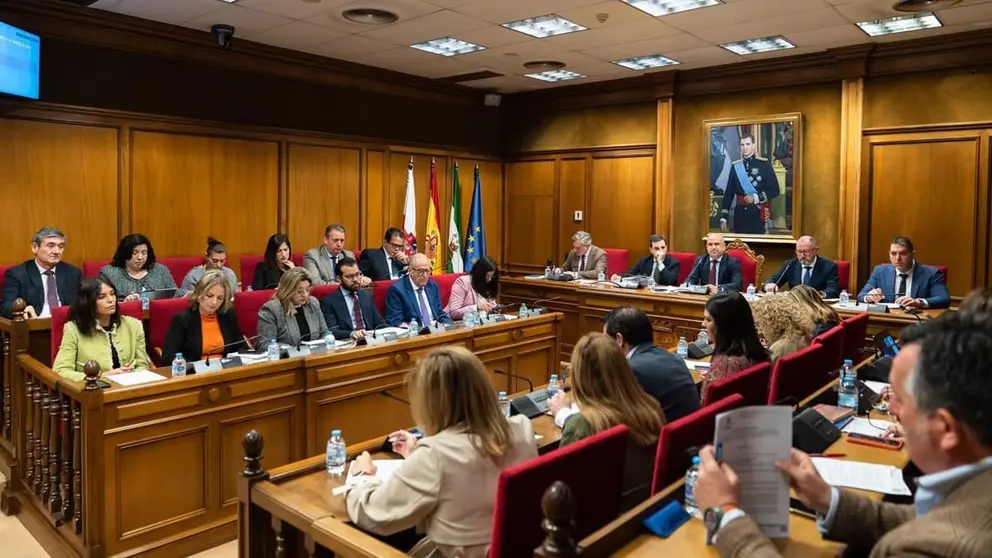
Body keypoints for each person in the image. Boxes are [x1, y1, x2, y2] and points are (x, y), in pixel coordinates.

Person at [694, 311, 992, 558]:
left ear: (945, 429)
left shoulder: (940, 548)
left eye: (899, 398)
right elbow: (923, 520)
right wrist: (827, 498)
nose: (892, 409)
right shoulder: (974, 488)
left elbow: (931, 536)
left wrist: (726, 516)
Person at [347, 346, 537, 558]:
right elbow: (462, 475)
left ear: (433, 404)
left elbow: (376, 515)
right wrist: (419, 453)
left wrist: (362, 476)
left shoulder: (434, 456)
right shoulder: (522, 428)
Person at [548, 333, 665, 512]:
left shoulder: (583, 425)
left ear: (580, 377)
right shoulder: (650, 408)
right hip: (647, 509)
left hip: (603, 527)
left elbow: (562, 497)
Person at [601, 306, 700, 422]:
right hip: (691, 433)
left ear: (619, 339)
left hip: (664, 438)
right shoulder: (674, 358)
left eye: (605, 340)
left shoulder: (631, 369)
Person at [52, 277, 150, 381]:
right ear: (88, 302)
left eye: (112, 294)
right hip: (93, 391)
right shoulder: (73, 329)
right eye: (101, 297)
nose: (111, 300)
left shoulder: (134, 325)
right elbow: (60, 371)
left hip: (129, 388)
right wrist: (101, 377)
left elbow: (143, 365)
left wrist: (131, 374)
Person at [161, 270, 247, 364]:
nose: (214, 302)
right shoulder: (182, 320)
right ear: (199, 294)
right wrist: (195, 368)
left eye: (220, 298)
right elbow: (168, 357)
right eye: (209, 296)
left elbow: (241, 346)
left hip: (225, 370)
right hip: (196, 373)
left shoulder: (228, 315)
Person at [0, 227, 82, 319]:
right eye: (51, 246)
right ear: (35, 247)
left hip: (66, 326)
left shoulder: (73, 273)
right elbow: (5, 307)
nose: (57, 251)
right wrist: (23, 310)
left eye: (61, 246)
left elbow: (83, 305)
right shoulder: (17, 274)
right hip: (34, 328)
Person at [700, 292, 769, 400]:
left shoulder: (726, 363)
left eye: (708, 320)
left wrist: (710, 382)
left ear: (725, 326)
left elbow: (708, 404)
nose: (703, 324)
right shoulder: (758, 353)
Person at [857, 236, 949, 309]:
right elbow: (861, 295)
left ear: (912, 254)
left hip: (917, 323)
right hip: (888, 320)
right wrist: (869, 297)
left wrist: (919, 302)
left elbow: (944, 299)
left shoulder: (932, 274)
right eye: (893, 253)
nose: (897, 258)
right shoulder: (880, 271)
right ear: (889, 254)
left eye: (903, 253)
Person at [719, 131, 780, 235]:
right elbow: (729, 193)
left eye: (748, 144)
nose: (745, 148)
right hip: (740, 215)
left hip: (757, 214)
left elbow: (774, 190)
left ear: (754, 145)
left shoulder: (764, 165)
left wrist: (756, 197)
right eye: (742, 145)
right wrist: (724, 217)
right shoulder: (735, 166)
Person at [257, 267, 328, 350]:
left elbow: (325, 333)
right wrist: (290, 349)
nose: (305, 295)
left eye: (308, 290)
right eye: (299, 291)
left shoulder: (312, 303)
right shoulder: (272, 309)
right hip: (287, 359)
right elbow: (264, 344)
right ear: (288, 290)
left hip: (314, 355)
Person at [320, 257, 387, 341]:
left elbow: (380, 323)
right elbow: (331, 331)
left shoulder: (366, 296)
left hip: (370, 341)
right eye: (350, 276)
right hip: (348, 343)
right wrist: (352, 334)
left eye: (357, 274)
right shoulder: (329, 302)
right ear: (339, 279)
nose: (355, 279)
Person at [100, 233, 176, 301]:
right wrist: (123, 302)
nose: (140, 257)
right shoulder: (109, 274)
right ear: (124, 253)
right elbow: (102, 301)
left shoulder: (160, 270)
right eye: (135, 253)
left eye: (144, 253)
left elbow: (176, 294)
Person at [385, 253, 452, 327]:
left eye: (427, 271)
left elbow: (439, 313)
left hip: (435, 331)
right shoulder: (397, 290)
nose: (425, 275)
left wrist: (451, 325)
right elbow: (395, 320)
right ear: (410, 271)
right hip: (415, 333)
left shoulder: (432, 286)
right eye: (421, 271)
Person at [764, 236, 839, 298]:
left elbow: (833, 290)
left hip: (817, 308)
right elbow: (774, 280)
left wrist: (817, 295)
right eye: (799, 252)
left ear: (815, 250)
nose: (802, 256)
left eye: (806, 252)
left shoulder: (828, 266)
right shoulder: (790, 264)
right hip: (795, 307)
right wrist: (769, 285)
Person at [751, 294, 813, 363]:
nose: (759, 330)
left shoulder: (777, 350)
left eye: (760, 323)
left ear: (769, 321)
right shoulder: (804, 335)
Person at [303, 224, 369, 287]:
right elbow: (315, 282)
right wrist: (340, 286)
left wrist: (362, 279)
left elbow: (357, 275)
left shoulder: (348, 255)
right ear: (326, 240)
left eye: (342, 240)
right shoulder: (312, 256)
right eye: (335, 240)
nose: (339, 244)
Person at [611, 234, 680, 286]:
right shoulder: (644, 261)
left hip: (664, 296)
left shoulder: (673, 262)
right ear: (651, 250)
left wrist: (660, 263)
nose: (661, 251)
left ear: (666, 248)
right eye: (656, 248)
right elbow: (631, 274)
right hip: (646, 292)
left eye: (663, 247)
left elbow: (671, 282)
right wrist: (619, 277)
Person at [444, 256, 499, 320]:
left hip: (482, 322)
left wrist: (494, 309)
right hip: (460, 323)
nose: (489, 279)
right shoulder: (463, 282)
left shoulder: (488, 284)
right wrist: (475, 308)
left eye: (492, 276)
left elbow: (491, 305)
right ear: (480, 273)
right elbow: (453, 312)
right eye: (487, 275)